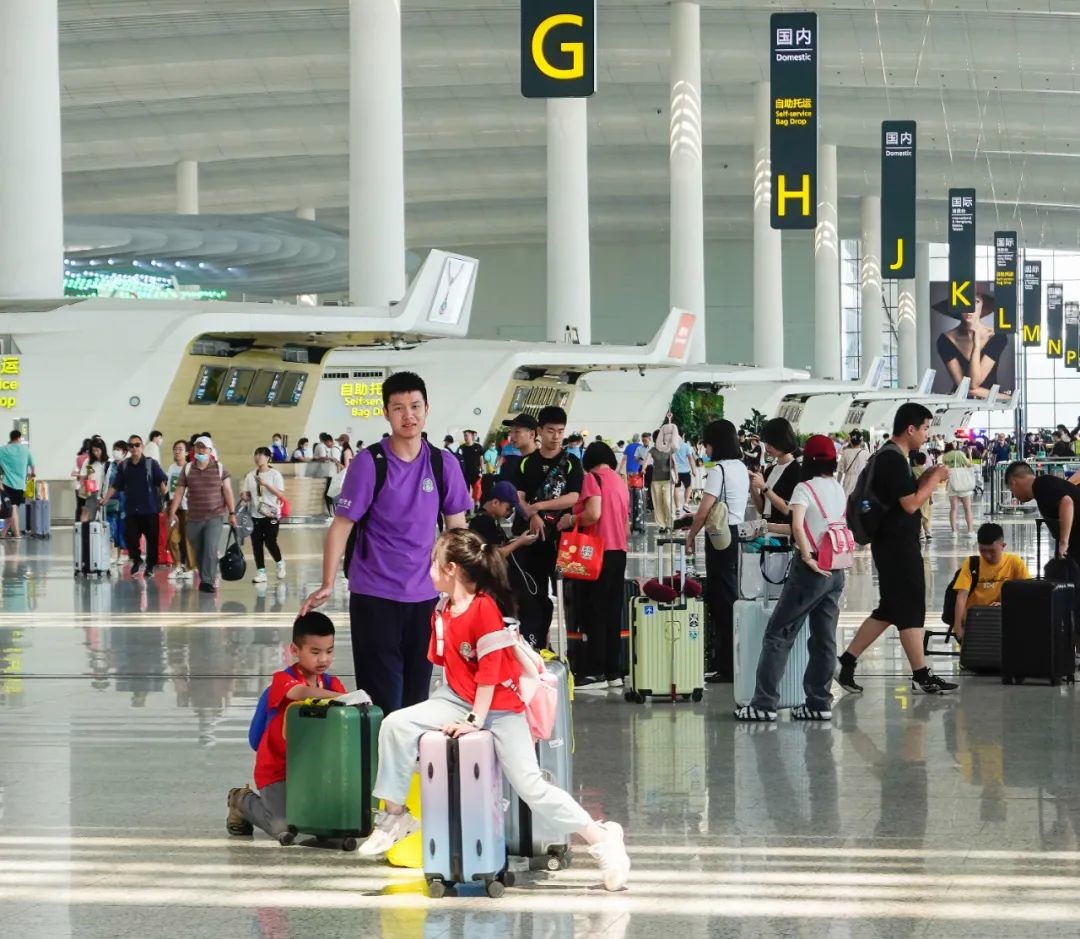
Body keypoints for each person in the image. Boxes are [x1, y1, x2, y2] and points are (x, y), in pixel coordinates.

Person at [356, 529, 631, 892]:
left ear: (451, 568)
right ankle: (394, 817)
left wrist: (475, 720)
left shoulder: (484, 609)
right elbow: (448, 665)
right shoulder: (441, 609)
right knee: (395, 724)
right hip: (454, 697)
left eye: (434, 562)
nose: (430, 569)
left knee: (531, 785)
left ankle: (601, 840)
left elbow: (490, 674)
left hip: (499, 706)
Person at [300, 371, 471, 714]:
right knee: (382, 698)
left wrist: (462, 589)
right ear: (386, 413)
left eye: (415, 406)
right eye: (398, 408)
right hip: (374, 596)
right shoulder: (370, 464)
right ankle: (381, 767)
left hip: (424, 597)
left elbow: (456, 529)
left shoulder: (443, 464)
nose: (408, 415)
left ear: (427, 409)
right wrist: (328, 581)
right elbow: (342, 525)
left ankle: (410, 767)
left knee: (416, 699)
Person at [836, 403, 958, 696]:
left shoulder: (891, 457)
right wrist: (936, 479)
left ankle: (847, 662)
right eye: (926, 428)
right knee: (911, 606)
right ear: (911, 429)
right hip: (896, 546)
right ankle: (921, 674)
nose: (928, 435)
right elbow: (911, 503)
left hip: (892, 543)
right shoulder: (892, 459)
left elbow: (907, 494)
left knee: (891, 609)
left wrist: (930, 475)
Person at [734, 435, 848, 722]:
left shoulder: (804, 487)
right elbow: (808, 527)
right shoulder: (838, 488)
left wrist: (807, 557)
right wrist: (766, 527)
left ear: (807, 460)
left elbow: (797, 525)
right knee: (824, 639)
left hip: (809, 572)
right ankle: (819, 703)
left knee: (778, 634)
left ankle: (763, 704)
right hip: (836, 570)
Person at [226, 612, 346, 839]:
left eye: (329, 651)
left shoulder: (331, 683)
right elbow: (299, 692)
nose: (323, 659)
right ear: (294, 650)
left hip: (312, 771)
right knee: (282, 826)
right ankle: (241, 800)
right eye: (315, 652)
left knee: (326, 821)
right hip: (276, 769)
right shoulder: (284, 679)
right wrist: (339, 697)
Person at [558, 441, 630, 689]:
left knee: (593, 610)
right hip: (618, 551)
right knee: (612, 612)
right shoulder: (620, 481)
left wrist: (570, 518)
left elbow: (593, 514)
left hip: (595, 553)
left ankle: (595, 671)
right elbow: (625, 523)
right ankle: (614, 671)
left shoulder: (592, 478)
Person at [684, 420, 750, 683]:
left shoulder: (719, 469)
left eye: (707, 444)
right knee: (731, 596)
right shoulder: (741, 467)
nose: (706, 449)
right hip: (736, 534)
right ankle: (734, 660)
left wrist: (691, 535)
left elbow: (704, 509)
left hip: (720, 537)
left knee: (722, 601)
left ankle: (727, 666)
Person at [513, 406, 584, 649]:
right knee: (536, 595)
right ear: (539, 431)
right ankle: (540, 643)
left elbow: (573, 497)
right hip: (533, 539)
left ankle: (572, 646)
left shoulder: (572, 462)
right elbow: (519, 497)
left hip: (563, 541)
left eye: (560, 432)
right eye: (551, 431)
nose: (556, 437)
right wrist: (530, 514)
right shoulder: (526, 464)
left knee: (568, 594)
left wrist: (538, 507)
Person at [167, 436, 238, 594]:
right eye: (198, 447)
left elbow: (227, 491)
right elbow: (179, 492)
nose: (200, 450)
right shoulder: (187, 469)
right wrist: (172, 511)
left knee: (210, 548)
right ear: (193, 450)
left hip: (215, 515)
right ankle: (205, 572)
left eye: (204, 447)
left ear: (210, 450)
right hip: (194, 517)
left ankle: (207, 580)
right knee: (198, 550)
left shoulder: (220, 468)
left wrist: (232, 513)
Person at [951, 523, 1031, 642]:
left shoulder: (1015, 563)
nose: (987, 556)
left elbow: (1027, 594)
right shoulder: (972, 564)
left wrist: (1006, 604)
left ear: (1003, 546)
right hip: (975, 623)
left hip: (1003, 622)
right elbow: (961, 596)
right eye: (982, 551)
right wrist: (958, 628)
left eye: (992, 551)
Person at [101, 434, 168, 576]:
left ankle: (150, 566)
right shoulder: (124, 466)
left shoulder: (151, 464)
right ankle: (137, 560)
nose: (134, 448)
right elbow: (116, 485)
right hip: (132, 509)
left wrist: (167, 500)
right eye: (131, 445)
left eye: (137, 445)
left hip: (150, 509)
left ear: (142, 446)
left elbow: (161, 484)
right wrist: (106, 498)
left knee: (152, 540)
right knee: (129, 536)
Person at [936, 291, 1008, 399]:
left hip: (991, 406)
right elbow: (967, 388)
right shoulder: (945, 340)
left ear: (983, 305)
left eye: (976, 301)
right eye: (963, 301)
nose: (969, 308)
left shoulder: (997, 337)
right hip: (961, 405)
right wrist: (976, 345)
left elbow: (973, 386)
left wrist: (977, 344)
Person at [240, 447, 287, 584]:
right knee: (257, 544)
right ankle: (261, 572)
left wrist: (265, 484)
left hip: (271, 514)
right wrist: (244, 495)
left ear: (268, 458)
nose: (258, 457)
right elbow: (247, 495)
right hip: (255, 514)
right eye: (256, 454)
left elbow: (280, 494)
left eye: (261, 455)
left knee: (270, 541)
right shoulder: (250, 475)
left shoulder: (275, 474)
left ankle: (280, 563)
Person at [750, 417, 799, 533]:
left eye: (772, 443)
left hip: (784, 536)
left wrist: (764, 488)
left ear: (783, 441)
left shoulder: (796, 471)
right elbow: (762, 509)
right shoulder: (769, 470)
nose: (767, 447)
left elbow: (789, 511)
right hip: (766, 532)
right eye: (766, 442)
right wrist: (752, 486)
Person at [165, 440, 194, 580]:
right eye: (175, 449)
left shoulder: (190, 468)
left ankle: (189, 567)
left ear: (187, 452)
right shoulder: (171, 468)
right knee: (172, 539)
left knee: (187, 540)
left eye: (180, 449)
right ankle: (177, 565)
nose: (177, 451)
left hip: (188, 509)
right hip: (174, 509)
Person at [0, 429, 35, 539]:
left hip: (6, 484)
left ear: (11, 438)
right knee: (13, 508)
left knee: (10, 508)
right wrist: (31, 476)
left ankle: (7, 533)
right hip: (20, 485)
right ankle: (15, 534)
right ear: (19, 438)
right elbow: (33, 468)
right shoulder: (26, 451)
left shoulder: (3, 450)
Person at [942, 442, 976, 535]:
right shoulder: (959, 453)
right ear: (953, 446)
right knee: (967, 509)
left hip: (952, 484)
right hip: (963, 484)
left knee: (953, 509)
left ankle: (954, 531)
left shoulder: (944, 456)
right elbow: (969, 464)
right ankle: (970, 531)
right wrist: (970, 453)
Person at [76, 438, 111, 524]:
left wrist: (105, 495)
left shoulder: (108, 462)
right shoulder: (89, 462)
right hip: (92, 493)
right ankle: (86, 534)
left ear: (103, 450)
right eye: (93, 451)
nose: (95, 453)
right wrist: (85, 488)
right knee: (90, 518)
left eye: (97, 450)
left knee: (105, 520)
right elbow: (86, 476)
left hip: (106, 494)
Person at [648, 430, 675, 530]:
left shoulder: (669, 449)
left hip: (668, 479)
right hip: (656, 480)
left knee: (667, 501)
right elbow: (646, 460)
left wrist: (676, 475)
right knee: (658, 503)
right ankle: (662, 525)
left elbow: (674, 462)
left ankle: (670, 522)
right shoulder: (653, 450)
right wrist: (643, 469)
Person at [498, 414, 537, 480]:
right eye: (511, 432)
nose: (511, 436)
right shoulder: (510, 460)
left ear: (532, 434)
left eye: (517, 432)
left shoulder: (538, 463)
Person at [457, 429, 486, 511]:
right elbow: (458, 460)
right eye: (464, 436)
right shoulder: (461, 448)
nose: (465, 437)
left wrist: (482, 470)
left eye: (467, 435)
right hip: (465, 474)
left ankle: (477, 505)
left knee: (477, 490)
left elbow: (481, 459)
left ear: (472, 436)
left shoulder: (478, 447)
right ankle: (467, 510)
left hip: (476, 473)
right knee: (466, 492)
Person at [838, 431, 870, 499]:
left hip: (848, 482)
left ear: (851, 441)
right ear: (861, 441)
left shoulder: (845, 453)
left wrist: (838, 484)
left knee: (848, 503)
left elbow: (840, 471)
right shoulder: (866, 454)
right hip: (861, 482)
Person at [911, 451, 933, 542]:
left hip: (916, 495)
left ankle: (921, 533)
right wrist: (931, 497)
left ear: (915, 461)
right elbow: (930, 485)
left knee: (918, 514)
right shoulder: (928, 471)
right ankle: (928, 532)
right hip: (926, 495)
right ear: (925, 461)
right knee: (926, 513)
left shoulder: (911, 470)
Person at [673, 434, 694, 517]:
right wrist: (694, 470)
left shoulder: (672, 446)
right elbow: (690, 458)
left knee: (676, 488)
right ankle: (685, 504)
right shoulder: (686, 446)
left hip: (675, 471)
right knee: (688, 487)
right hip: (685, 470)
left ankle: (677, 508)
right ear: (683, 436)